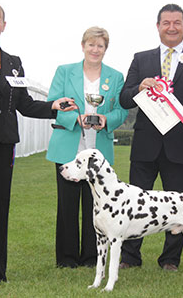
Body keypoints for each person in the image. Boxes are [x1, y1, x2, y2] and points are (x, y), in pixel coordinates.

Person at [0, 2, 76, 287]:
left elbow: (24, 104)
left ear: (4, 25)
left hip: (5, 144)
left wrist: (54, 106)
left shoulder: (14, 61)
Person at [119, 4, 183, 271]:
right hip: (145, 145)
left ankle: (170, 260)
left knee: (178, 206)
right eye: (166, 23)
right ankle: (130, 257)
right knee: (134, 203)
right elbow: (124, 97)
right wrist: (139, 87)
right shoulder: (141, 59)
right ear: (158, 26)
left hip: (181, 145)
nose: (172, 27)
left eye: (177, 22)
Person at [46, 26, 128, 269]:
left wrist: (106, 121)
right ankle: (67, 258)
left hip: (99, 153)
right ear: (83, 46)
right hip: (67, 149)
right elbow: (54, 104)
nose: (95, 49)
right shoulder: (64, 71)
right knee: (67, 206)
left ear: (105, 49)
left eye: (100, 46)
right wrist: (75, 119)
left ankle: (93, 257)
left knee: (98, 206)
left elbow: (121, 110)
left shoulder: (115, 77)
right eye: (91, 44)